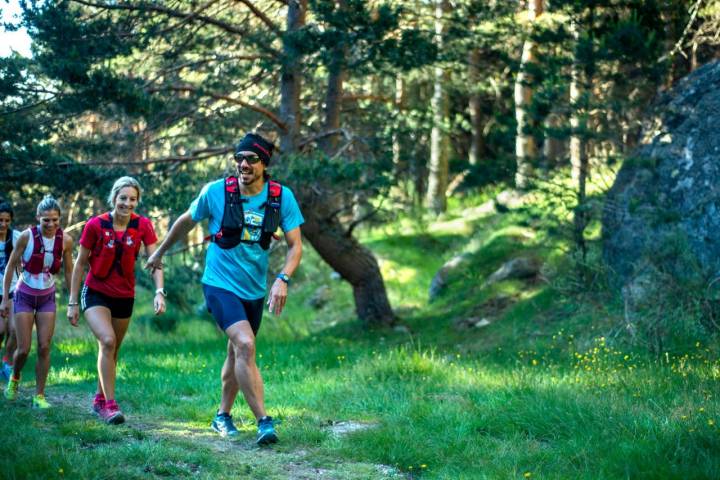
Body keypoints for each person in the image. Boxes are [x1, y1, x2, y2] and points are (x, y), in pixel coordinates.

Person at [146, 132, 303, 444]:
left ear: (264, 163)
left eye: (251, 159)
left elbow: (295, 245)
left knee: (237, 353)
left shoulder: (281, 197)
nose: (243, 164)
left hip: (254, 288)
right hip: (219, 283)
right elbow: (185, 222)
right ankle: (264, 422)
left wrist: (282, 279)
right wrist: (160, 251)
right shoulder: (215, 192)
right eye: (239, 158)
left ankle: (222, 416)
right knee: (245, 344)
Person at [68, 176, 166, 425]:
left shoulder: (143, 225)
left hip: (124, 295)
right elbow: (80, 264)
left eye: (133, 199)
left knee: (113, 350)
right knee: (108, 341)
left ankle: (99, 400)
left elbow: (155, 261)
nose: (127, 203)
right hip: (96, 291)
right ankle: (110, 405)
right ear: (114, 198)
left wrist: (159, 291)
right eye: (123, 198)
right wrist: (72, 302)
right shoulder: (95, 225)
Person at [0, 195, 73, 408]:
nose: (50, 225)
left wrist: (72, 300)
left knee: (44, 346)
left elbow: (69, 271)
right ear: (38, 218)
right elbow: (10, 268)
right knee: (23, 349)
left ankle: (39, 396)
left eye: (55, 220)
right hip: (23, 295)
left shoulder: (66, 240)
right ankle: (14, 377)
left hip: (47, 297)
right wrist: (5, 299)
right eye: (46, 220)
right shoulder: (26, 237)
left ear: (60, 219)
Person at [0, 202, 21, 381]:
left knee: (15, 330)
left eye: (7, 220)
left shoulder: (16, 237)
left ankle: (6, 361)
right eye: (0, 220)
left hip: (14, 289)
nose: (3, 224)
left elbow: (23, 263)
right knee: (0, 330)